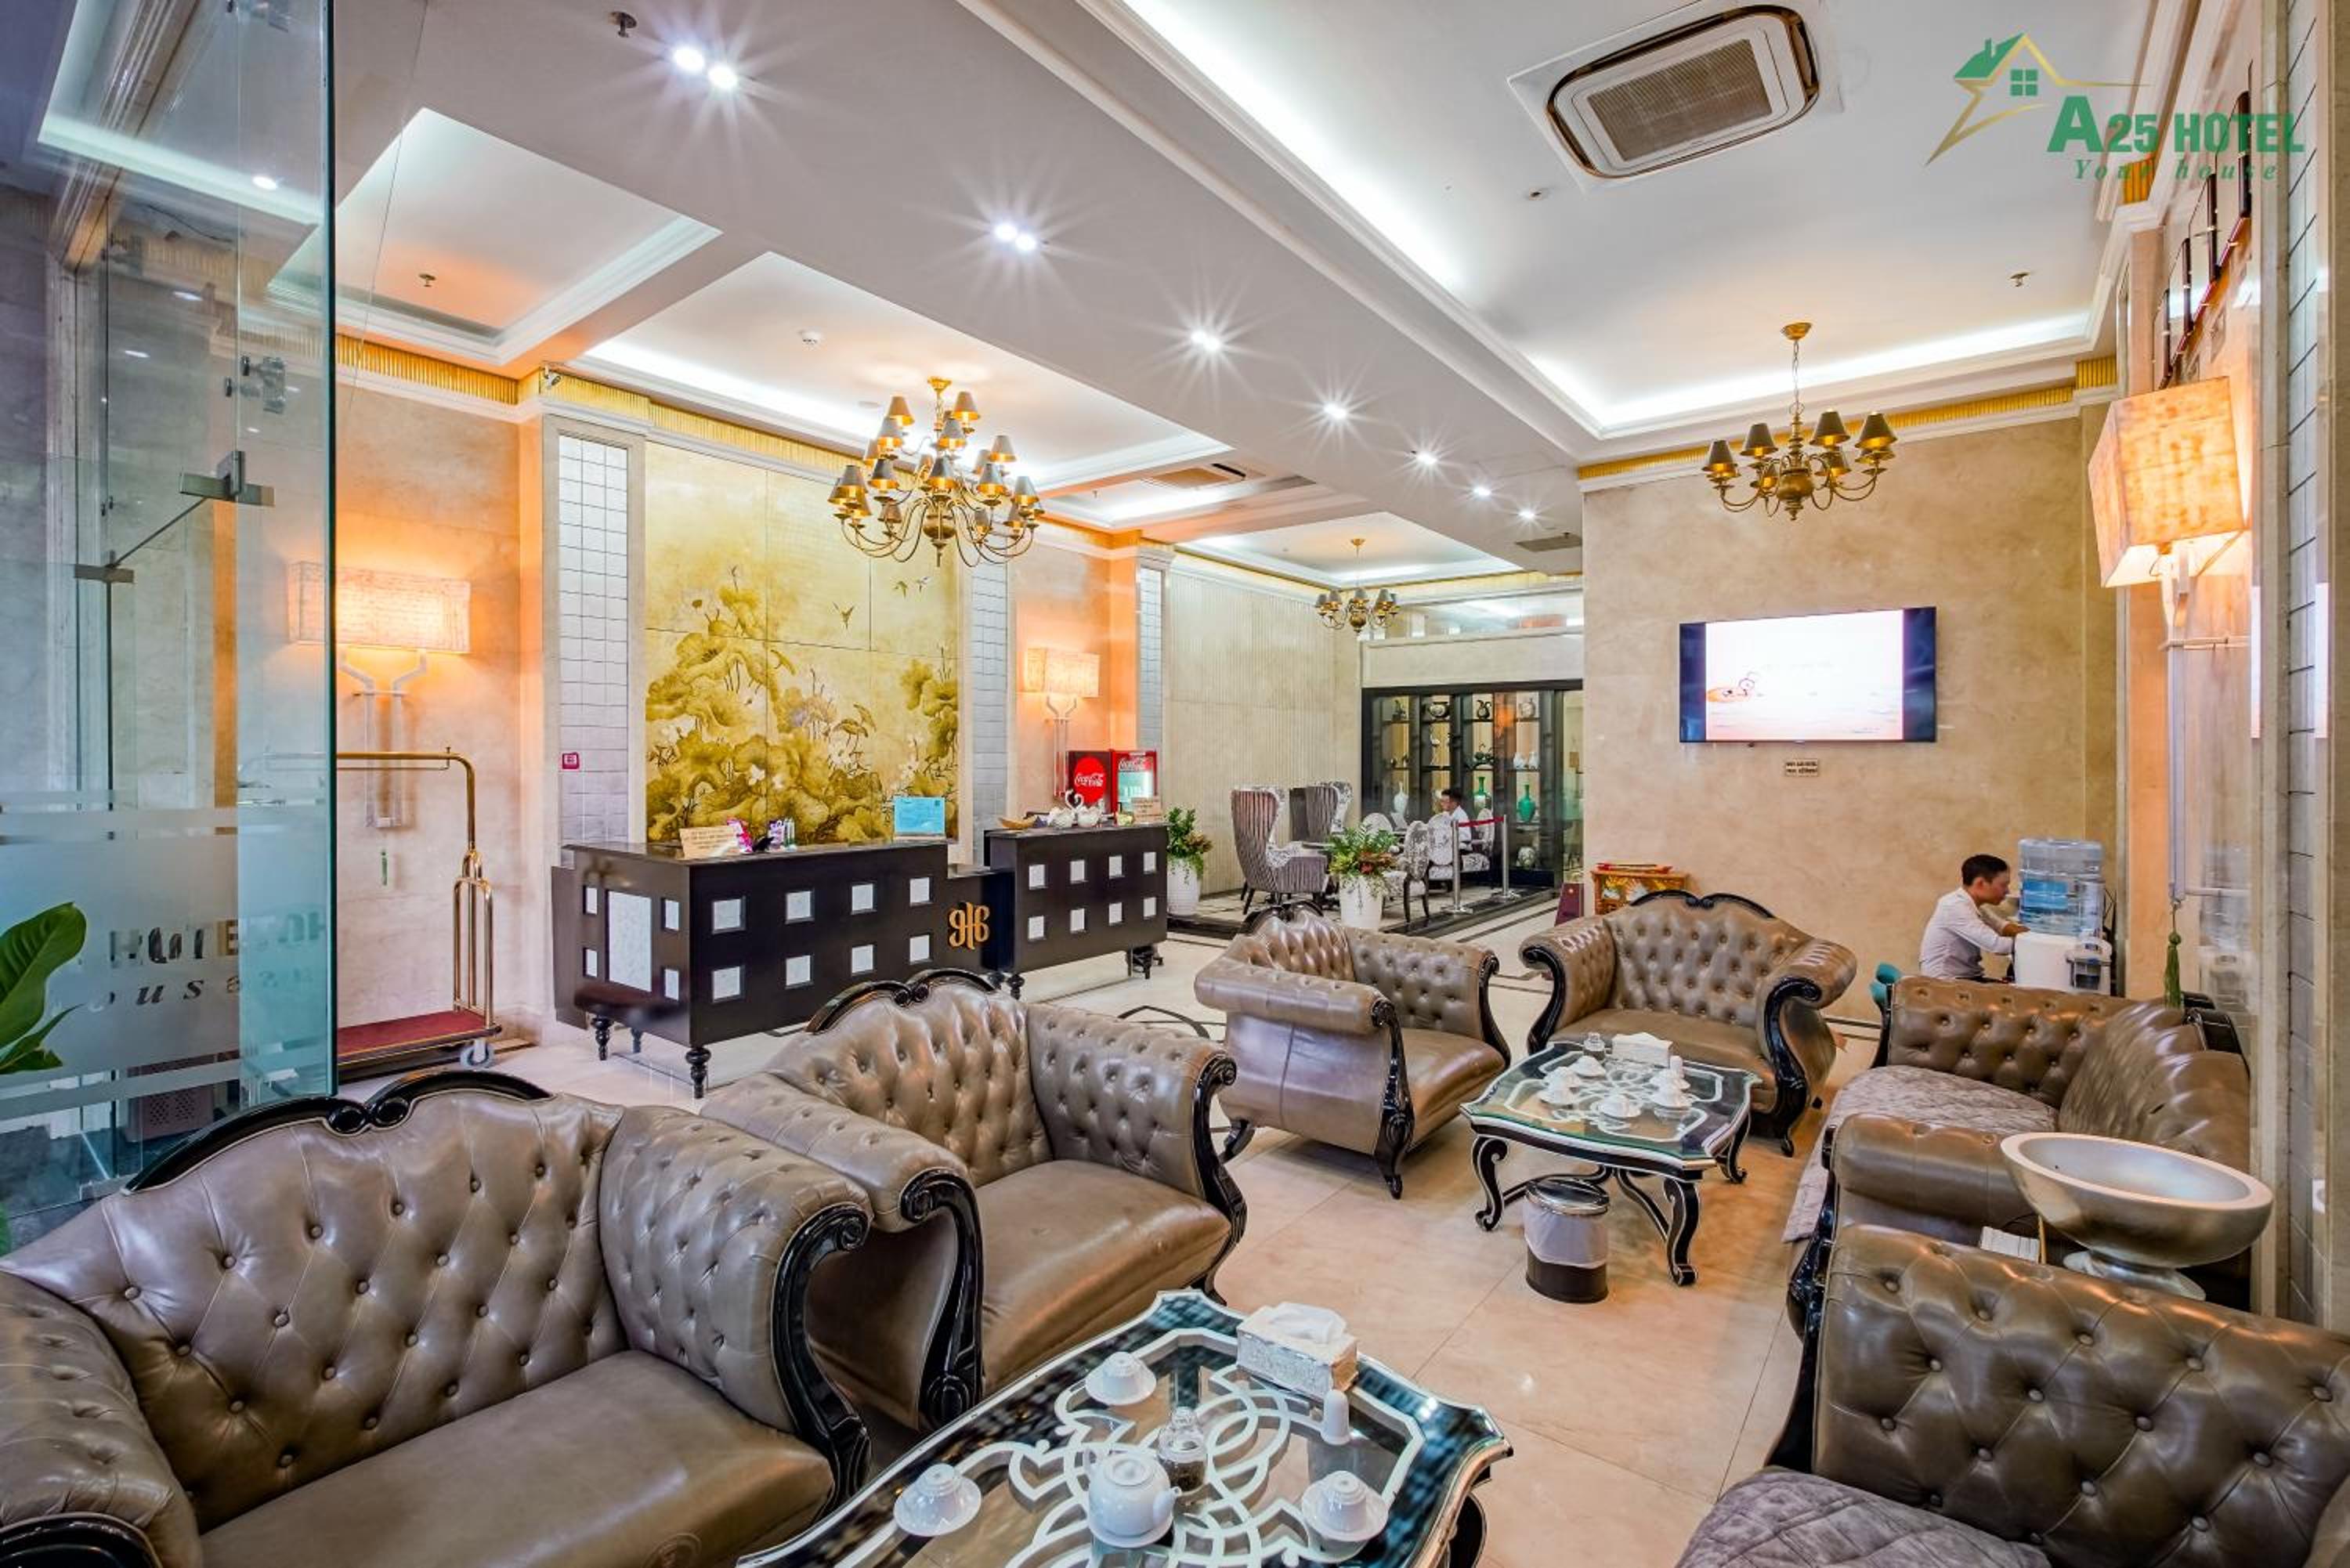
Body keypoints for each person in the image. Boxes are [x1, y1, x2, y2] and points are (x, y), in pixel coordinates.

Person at [1919, 853, 2026, 981]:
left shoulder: (1972, 905)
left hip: (1966, 977)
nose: (2007, 891)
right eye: (2003, 885)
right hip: (1945, 983)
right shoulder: (1955, 907)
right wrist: (2033, 943)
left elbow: (2003, 927)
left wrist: (2035, 933)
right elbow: (1997, 946)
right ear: (1980, 883)